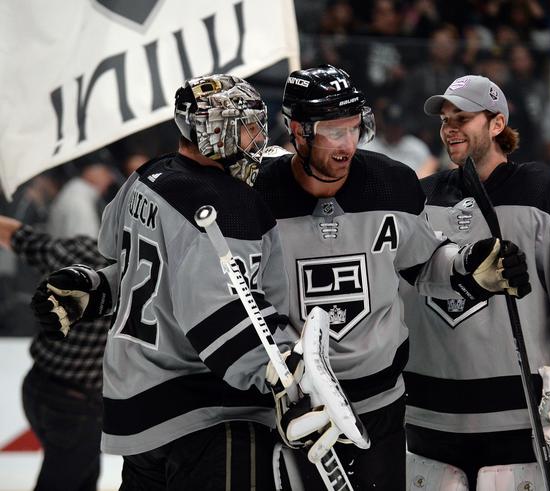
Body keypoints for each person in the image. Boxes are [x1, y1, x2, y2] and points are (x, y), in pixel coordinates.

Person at [30, 74, 327, 490]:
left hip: (135, 411)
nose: (257, 136)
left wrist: (100, 287)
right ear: (210, 130)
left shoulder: (147, 176)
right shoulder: (225, 204)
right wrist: (285, 380)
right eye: (243, 126)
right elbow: (219, 315)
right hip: (206, 413)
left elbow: (127, 253)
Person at [254, 64, 531, 490]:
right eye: (333, 132)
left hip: (380, 407)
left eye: (355, 129)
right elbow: (242, 302)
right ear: (298, 130)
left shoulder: (393, 182)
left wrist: (469, 269)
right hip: (292, 409)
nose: (348, 146)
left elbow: (423, 263)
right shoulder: (255, 196)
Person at [401, 75, 550, 490]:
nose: (449, 127)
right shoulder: (419, 199)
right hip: (427, 425)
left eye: (463, 117)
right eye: (445, 119)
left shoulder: (544, 193)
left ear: (496, 125)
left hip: (522, 427)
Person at [0, 215, 108, 491]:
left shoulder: (79, 251)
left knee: (82, 474)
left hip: (38, 388)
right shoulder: (147, 281)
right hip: (78, 407)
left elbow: (18, 235)